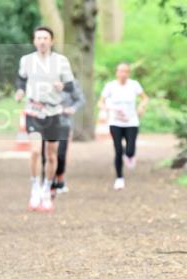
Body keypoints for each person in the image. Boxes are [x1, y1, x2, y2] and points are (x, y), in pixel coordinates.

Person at [14, 26, 76, 212]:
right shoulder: (26, 60)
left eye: (45, 38)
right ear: (34, 41)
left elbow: (71, 86)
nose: (42, 41)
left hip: (54, 112)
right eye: (38, 38)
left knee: (51, 154)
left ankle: (47, 190)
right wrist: (20, 90)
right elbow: (21, 79)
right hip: (33, 110)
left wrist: (62, 86)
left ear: (51, 41)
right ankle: (35, 188)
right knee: (34, 151)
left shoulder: (61, 61)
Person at [97, 62, 148, 190]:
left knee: (130, 150)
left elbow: (145, 98)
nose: (123, 74)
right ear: (117, 73)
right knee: (118, 150)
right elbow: (100, 102)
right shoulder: (110, 86)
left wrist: (142, 107)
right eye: (121, 71)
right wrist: (106, 109)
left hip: (131, 121)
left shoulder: (134, 85)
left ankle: (129, 155)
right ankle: (119, 178)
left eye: (126, 71)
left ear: (129, 73)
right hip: (116, 122)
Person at [41, 80, 85, 197]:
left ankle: (60, 178)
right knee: (46, 154)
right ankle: (49, 183)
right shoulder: (43, 81)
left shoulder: (70, 83)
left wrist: (72, 109)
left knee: (60, 153)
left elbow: (80, 99)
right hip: (47, 122)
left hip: (63, 122)